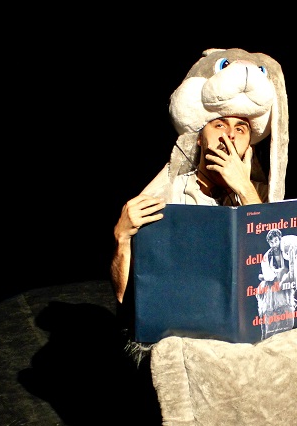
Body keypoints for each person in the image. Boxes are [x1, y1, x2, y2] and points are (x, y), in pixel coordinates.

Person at [110, 115, 269, 305]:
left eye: (240, 129)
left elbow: (274, 266)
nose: (230, 135)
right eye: (220, 125)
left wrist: (244, 188)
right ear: (199, 138)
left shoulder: (262, 196)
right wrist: (122, 238)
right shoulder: (167, 195)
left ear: (250, 147)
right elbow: (124, 297)